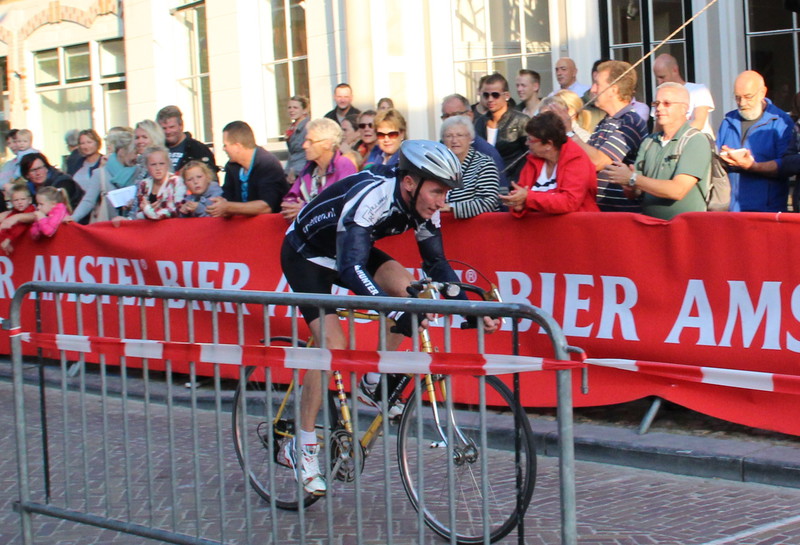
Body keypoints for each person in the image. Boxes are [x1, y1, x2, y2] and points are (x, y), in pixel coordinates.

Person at [280, 140, 499, 495]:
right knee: (332, 346)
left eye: (445, 192)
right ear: (410, 182)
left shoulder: (425, 206)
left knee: (415, 294)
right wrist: (396, 311)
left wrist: (471, 309)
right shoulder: (373, 196)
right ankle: (302, 445)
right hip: (307, 255)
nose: (442, 201)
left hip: (347, 249)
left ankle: (371, 382)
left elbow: (436, 264)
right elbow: (350, 268)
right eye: (437, 191)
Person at [603, 83, 711, 220]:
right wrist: (628, 185)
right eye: (656, 103)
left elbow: (678, 190)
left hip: (684, 227)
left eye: (667, 103)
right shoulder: (649, 141)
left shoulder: (695, 140)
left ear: (684, 108)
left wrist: (633, 178)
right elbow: (636, 192)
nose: (659, 108)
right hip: (650, 225)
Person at [560, 60, 648, 212]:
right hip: (599, 211)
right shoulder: (605, 121)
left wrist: (569, 131)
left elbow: (598, 162)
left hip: (619, 215)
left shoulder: (630, 122)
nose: (593, 89)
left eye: (597, 84)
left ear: (613, 90)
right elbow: (584, 158)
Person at [716, 70, 793, 212]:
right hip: (731, 210)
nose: (742, 103)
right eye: (737, 97)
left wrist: (752, 166)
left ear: (762, 93)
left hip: (767, 211)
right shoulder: (728, 122)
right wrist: (722, 158)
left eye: (748, 97)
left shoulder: (781, 122)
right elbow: (716, 164)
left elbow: (787, 165)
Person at [501, 111, 598, 215]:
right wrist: (518, 204)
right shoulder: (532, 160)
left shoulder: (576, 160)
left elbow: (569, 202)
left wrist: (528, 198)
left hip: (575, 224)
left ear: (548, 144)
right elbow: (521, 194)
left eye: (530, 140)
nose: (526, 143)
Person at [280, 118, 357, 222]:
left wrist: (304, 209)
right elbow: (290, 198)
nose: (304, 145)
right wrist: (291, 207)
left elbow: (341, 205)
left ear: (328, 144)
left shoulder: (344, 165)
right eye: (305, 140)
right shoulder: (309, 169)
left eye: (310, 141)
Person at [209, 120, 288, 217]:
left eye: (225, 145)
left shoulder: (268, 164)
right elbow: (227, 198)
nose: (223, 149)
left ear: (237, 146)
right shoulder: (232, 167)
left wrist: (227, 207)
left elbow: (266, 206)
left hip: (272, 224)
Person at [440, 94, 508, 191]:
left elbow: (500, 193)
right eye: (446, 116)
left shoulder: (486, 153)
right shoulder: (439, 150)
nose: (451, 120)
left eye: (455, 115)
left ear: (470, 115)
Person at [71, 127, 137, 223]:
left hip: (134, 225)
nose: (136, 157)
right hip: (109, 226)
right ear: (121, 152)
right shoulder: (100, 173)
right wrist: (73, 218)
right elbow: (88, 201)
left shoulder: (139, 171)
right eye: (134, 152)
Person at [473, 73, 530, 184]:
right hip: (486, 184)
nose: (490, 99)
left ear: (506, 95)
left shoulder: (521, 121)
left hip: (513, 184)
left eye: (495, 95)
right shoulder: (479, 122)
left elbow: (530, 155)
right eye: (486, 95)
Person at [439, 116, 500, 218]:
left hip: (477, 226)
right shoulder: (438, 165)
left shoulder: (484, 164)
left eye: (460, 135)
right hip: (442, 225)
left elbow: (488, 202)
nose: (454, 140)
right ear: (443, 140)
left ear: (470, 138)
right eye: (449, 136)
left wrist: (451, 208)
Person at [652, 53, 716, 136]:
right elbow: (658, 129)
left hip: (698, 140)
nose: (659, 82)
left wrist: (675, 138)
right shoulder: (660, 95)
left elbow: (699, 123)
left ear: (675, 70)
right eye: (657, 78)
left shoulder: (699, 90)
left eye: (662, 77)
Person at [117, 146, 186, 221]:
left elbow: (178, 211)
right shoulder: (143, 184)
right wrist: (148, 212)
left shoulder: (177, 182)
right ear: (147, 166)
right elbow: (138, 214)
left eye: (162, 163)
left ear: (168, 164)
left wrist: (148, 210)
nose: (158, 168)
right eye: (153, 164)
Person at [156, 105, 217, 173]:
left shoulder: (198, 150)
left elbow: (211, 176)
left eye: (172, 127)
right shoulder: (155, 150)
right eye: (164, 128)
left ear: (181, 126)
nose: (168, 131)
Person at [19, 153, 84, 215]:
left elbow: (55, 212)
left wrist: (20, 217)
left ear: (47, 168)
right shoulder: (28, 189)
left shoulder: (63, 182)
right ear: (26, 175)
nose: (38, 173)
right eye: (33, 170)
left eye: (40, 168)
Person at [0, 184, 35, 254]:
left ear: (29, 200)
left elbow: (21, 226)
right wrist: (3, 239)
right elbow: (6, 228)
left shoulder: (31, 210)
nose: (20, 202)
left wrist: (8, 239)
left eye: (23, 199)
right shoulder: (13, 212)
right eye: (16, 200)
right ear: (11, 202)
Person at [285, 95, 310, 181]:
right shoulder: (292, 128)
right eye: (289, 107)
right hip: (291, 169)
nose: (291, 110)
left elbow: (305, 154)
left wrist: (293, 171)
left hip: (302, 171)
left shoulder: (308, 127)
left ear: (304, 110)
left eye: (295, 108)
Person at [133, 120, 166, 185]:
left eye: (144, 137)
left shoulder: (161, 160)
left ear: (155, 138)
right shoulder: (139, 161)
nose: (140, 141)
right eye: (137, 138)